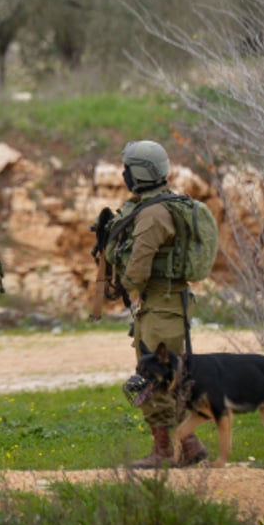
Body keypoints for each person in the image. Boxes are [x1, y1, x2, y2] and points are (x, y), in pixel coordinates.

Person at [110, 140, 209, 468]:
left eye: (128, 168)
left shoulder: (153, 214)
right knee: (160, 377)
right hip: (161, 304)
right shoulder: (156, 206)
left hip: (161, 305)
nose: (124, 174)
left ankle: (174, 448)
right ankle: (179, 446)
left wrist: (125, 287)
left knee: (159, 378)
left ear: (139, 172)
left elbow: (138, 265)